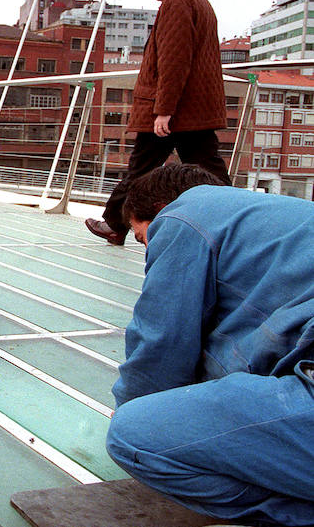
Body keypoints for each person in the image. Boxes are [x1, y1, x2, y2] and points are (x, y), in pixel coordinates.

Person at [105, 164, 314, 527]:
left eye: (142, 239)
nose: (148, 254)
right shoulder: (274, 222)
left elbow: (160, 346)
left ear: (158, 211)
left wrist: (139, 408)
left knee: (132, 435)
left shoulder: (182, 218)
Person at [85, 0, 230, 246]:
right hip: (195, 109)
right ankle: (237, 218)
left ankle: (115, 225)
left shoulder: (176, 4)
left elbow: (173, 61)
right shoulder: (201, 2)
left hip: (172, 112)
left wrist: (163, 110)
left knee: (142, 168)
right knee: (210, 170)